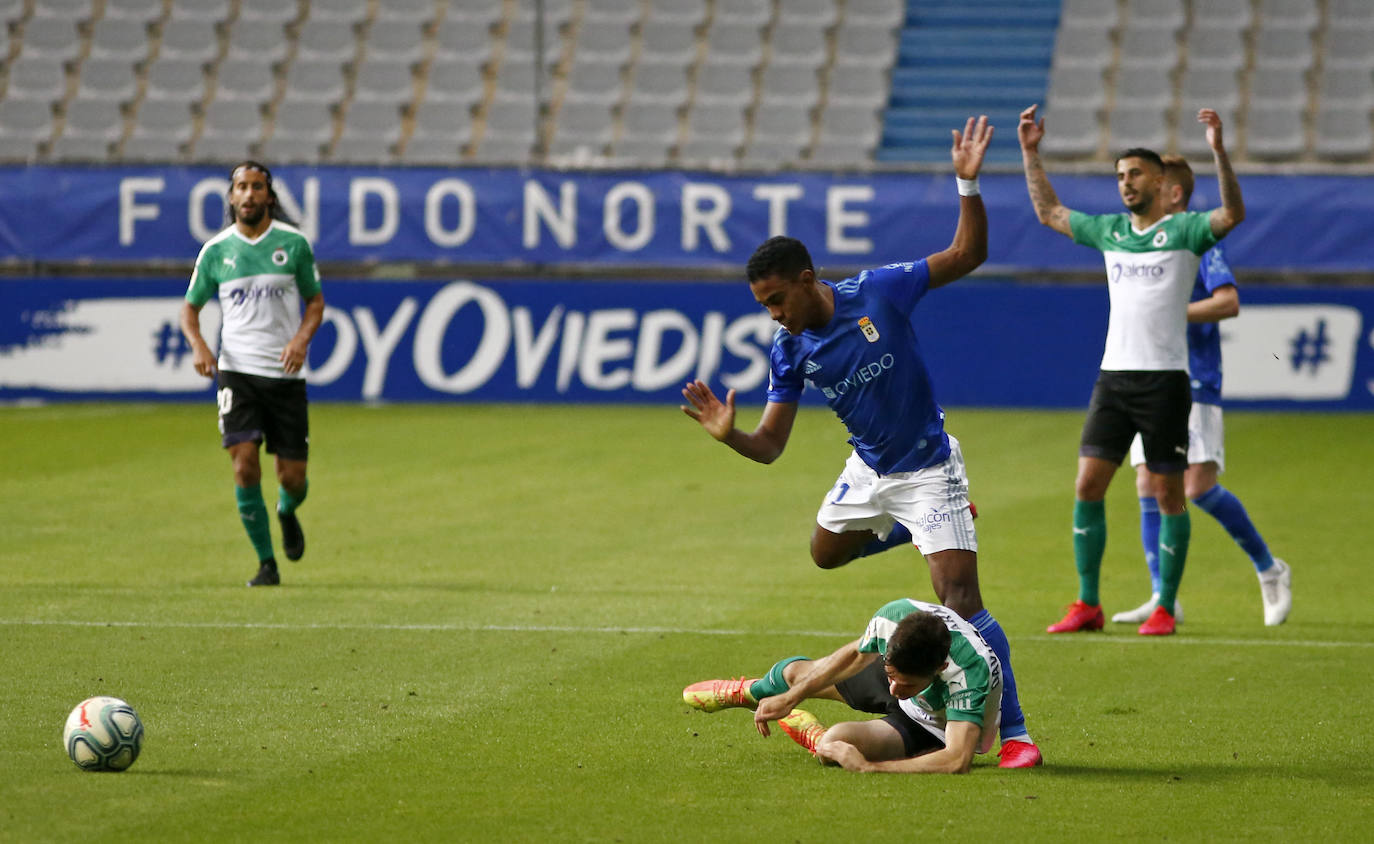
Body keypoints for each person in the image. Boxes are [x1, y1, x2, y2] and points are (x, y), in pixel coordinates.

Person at [680, 116, 1041, 768]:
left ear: (807, 276)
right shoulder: (788, 349)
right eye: (763, 305)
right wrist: (729, 435)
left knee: (961, 602)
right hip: (869, 470)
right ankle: (910, 531)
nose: (774, 314)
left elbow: (968, 254)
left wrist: (967, 181)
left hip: (928, 468)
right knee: (823, 554)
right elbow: (771, 445)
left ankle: (1014, 732)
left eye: (776, 298)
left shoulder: (878, 291)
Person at [1017, 105, 1246, 636]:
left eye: (1135, 174)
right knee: (1088, 485)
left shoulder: (1187, 231)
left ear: (1162, 183)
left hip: (1165, 383)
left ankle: (1165, 604)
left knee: (1169, 494)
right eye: (1120, 176)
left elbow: (1232, 214)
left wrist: (1218, 151)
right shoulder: (1110, 231)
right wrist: (1031, 153)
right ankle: (1088, 603)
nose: (1125, 183)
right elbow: (1050, 212)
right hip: (1113, 380)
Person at [1110, 155, 1291, 627]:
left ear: (1174, 192)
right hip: (1144, 375)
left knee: (1198, 486)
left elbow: (1228, 301)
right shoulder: (1137, 239)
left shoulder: (1200, 240)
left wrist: (1173, 313)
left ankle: (1269, 568)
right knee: (1148, 480)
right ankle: (1162, 595)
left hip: (1192, 377)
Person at [179, 161, 324, 587]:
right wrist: (200, 345)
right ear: (231, 197)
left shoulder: (293, 245)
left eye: (256, 187)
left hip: (284, 375)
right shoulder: (216, 251)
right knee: (243, 466)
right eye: (240, 187)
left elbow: (315, 302)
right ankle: (266, 563)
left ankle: (286, 509)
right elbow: (190, 308)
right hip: (236, 372)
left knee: (292, 477)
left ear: (269, 197)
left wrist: (300, 341)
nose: (248, 195)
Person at [683, 599, 1003, 774]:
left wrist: (870, 768)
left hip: (934, 726)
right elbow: (854, 654)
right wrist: (792, 697)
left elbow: (957, 759)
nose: (892, 689)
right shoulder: (893, 619)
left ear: (940, 669)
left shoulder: (968, 674)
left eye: (903, 684)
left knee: (835, 744)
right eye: (890, 677)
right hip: (908, 671)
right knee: (798, 675)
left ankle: (815, 737)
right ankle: (755, 691)